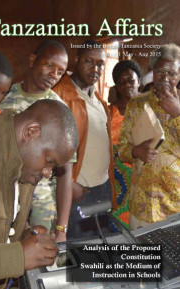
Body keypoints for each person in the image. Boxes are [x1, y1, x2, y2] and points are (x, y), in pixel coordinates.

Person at [0, 99, 78, 289]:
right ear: (31, 132)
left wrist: (25, 235)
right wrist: (19, 256)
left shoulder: (23, 159)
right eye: (49, 162)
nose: (47, 173)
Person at [0, 40, 74, 242]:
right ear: (33, 60)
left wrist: (62, 228)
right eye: (49, 65)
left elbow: (66, 173)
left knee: (38, 259)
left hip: (43, 203)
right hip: (5, 196)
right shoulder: (4, 97)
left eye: (60, 72)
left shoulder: (60, 111)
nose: (53, 75)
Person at [53, 40, 116, 239]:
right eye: (89, 61)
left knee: (98, 247)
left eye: (100, 64)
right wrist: (68, 182)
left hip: (102, 188)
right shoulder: (59, 94)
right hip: (77, 190)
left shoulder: (98, 100)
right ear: (76, 60)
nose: (95, 68)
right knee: (77, 253)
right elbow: (49, 147)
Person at [118, 43, 180, 230]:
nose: (166, 78)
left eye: (172, 73)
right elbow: (121, 150)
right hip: (142, 206)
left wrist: (178, 114)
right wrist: (136, 151)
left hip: (175, 206)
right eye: (161, 71)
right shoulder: (136, 104)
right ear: (152, 71)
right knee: (144, 259)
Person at [108, 60, 141, 228]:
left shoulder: (150, 108)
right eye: (122, 82)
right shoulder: (109, 112)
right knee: (119, 227)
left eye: (131, 80)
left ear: (139, 82)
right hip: (118, 180)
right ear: (117, 86)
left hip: (144, 177)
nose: (127, 85)